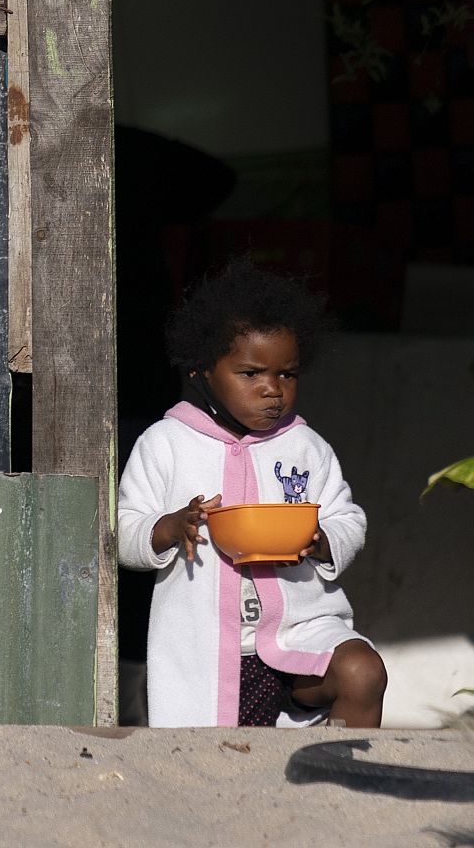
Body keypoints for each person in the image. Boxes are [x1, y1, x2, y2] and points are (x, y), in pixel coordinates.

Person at [116, 262, 387, 727]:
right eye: (250, 373)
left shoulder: (306, 446)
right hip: (205, 649)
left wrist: (323, 540)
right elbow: (124, 533)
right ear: (202, 368)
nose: (272, 390)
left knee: (362, 673)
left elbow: (348, 518)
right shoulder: (166, 443)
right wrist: (167, 527)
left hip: (298, 632)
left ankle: (344, 784)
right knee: (219, 770)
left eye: (287, 374)